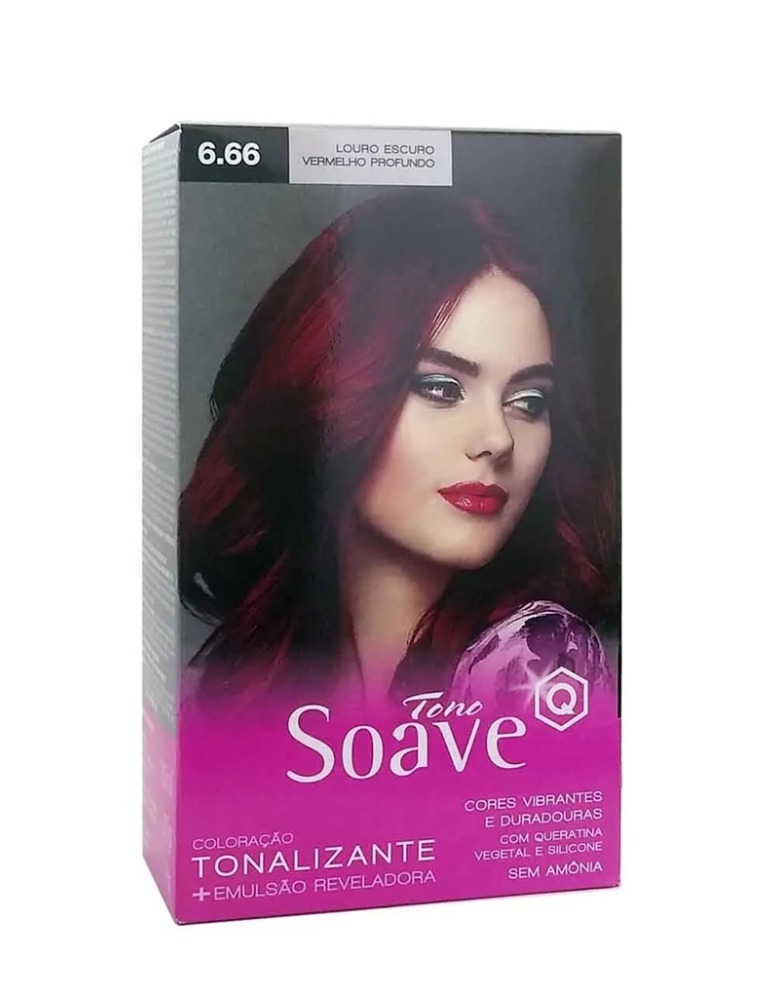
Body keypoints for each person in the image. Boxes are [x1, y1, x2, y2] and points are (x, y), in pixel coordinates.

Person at [179, 189, 616, 711]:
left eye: (528, 401)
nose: (498, 439)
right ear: (329, 396)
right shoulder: (240, 675)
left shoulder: (538, 668)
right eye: (441, 388)